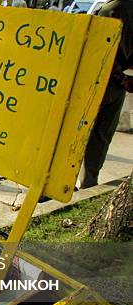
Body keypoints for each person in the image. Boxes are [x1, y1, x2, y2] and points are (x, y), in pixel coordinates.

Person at [80, 0, 132, 188]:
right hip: (115, 83)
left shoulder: (111, 9)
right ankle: (89, 182)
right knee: (99, 137)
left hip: (101, 82)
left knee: (79, 134)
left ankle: (73, 184)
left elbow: (98, 51)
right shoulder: (114, 8)